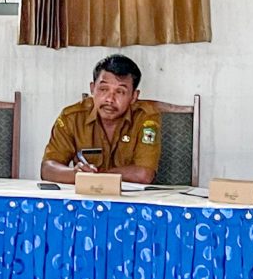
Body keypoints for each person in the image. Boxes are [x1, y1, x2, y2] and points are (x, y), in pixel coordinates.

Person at [41, 54, 162, 185]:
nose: (110, 99)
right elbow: (47, 168)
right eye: (103, 89)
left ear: (134, 96)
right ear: (92, 88)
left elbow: (144, 174)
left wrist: (96, 177)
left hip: (129, 201)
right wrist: (75, 174)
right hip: (84, 198)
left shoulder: (145, 118)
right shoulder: (72, 117)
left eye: (120, 92)